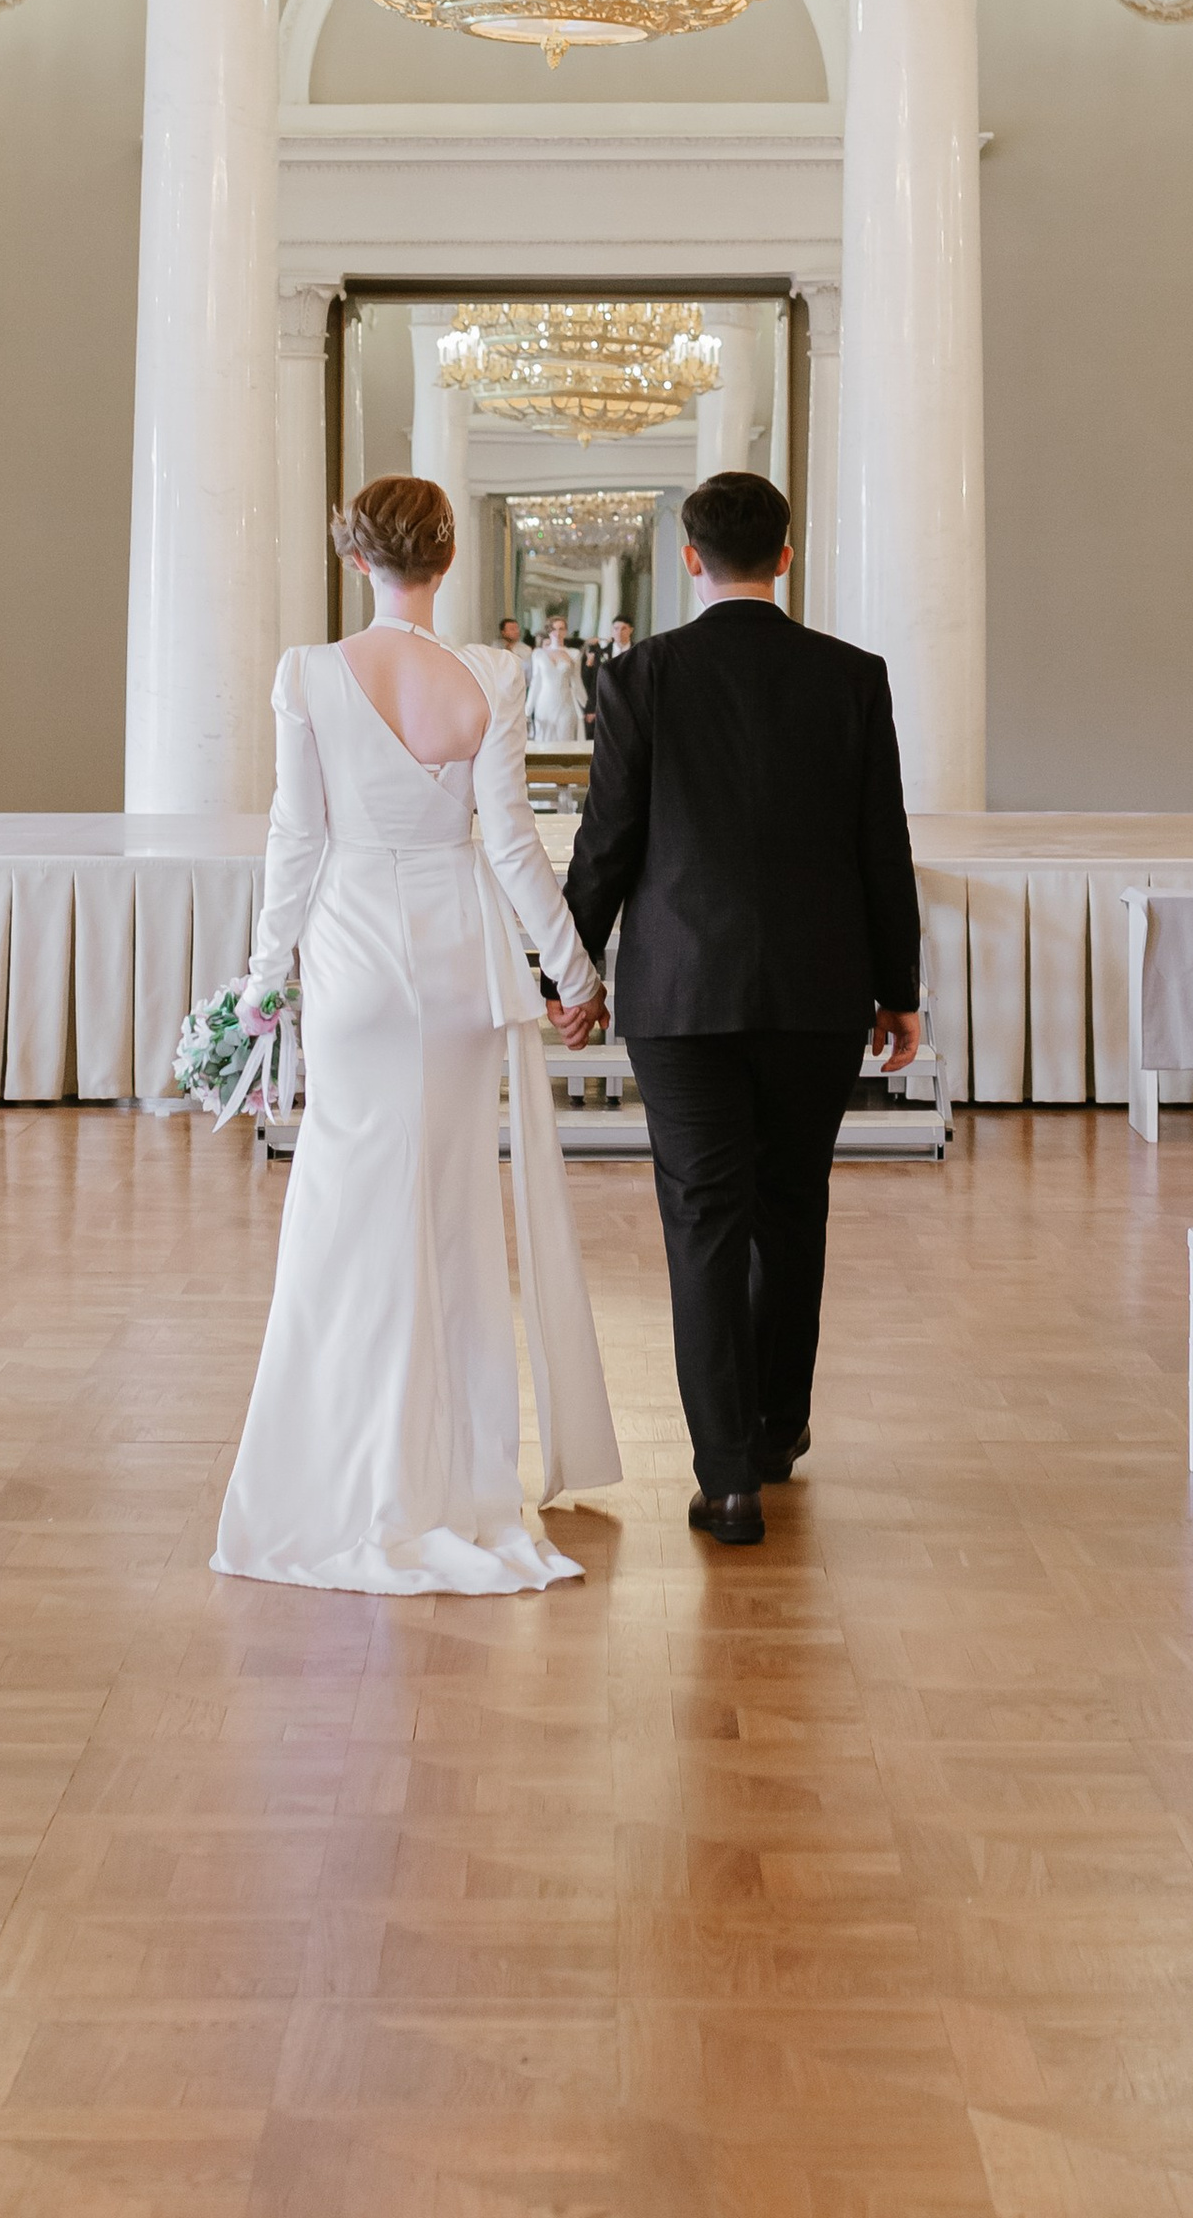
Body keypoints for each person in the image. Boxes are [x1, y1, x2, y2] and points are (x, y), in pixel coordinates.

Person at [213, 476, 620, 1594]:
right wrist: (574, 972)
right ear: (445, 563)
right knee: (448, 1216)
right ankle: (449, 1472)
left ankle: (343, 1468)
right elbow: (514, 846)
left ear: (358, 561)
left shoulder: (308, 673)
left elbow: (295, 840)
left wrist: (263, 983)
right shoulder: (488, 676)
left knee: (343, 1207)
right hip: (456, 972)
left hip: (351, 961)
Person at [563, 469, 921, 1548]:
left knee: (703, 1220)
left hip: (680, 992)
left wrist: (569, 973)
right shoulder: (852, 676)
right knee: (792, 1207)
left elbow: (607, 842)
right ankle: (774, 1430)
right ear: (786, 556)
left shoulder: (641, 675)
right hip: (818, 989)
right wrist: (898, 990)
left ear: (690, 559)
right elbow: (882, 844)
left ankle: (726, 1480)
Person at [525, 616, 587, 745]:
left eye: (561, 629)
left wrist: (587, 705)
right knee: (543, 742)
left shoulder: (574, 653)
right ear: (549, 631)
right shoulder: (538, 654)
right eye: (554, 629)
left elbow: (577, 680)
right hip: (543, 703)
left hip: (566, 702)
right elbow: (536, 682)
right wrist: (528, 710)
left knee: (566, 740)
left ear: (565, 631)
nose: (557, 633)